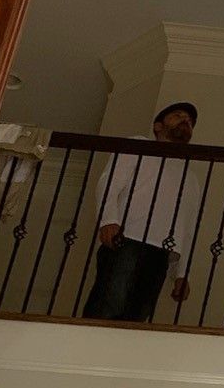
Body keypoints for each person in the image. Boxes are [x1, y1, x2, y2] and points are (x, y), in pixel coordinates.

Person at [82, 103, 201, 323]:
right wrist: (108, 220)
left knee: (138, 313)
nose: (186, 120)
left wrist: (181, 273)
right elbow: (109, 183)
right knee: (109, 302)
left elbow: (188, 226)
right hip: (127, 239)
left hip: (163, 251)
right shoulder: (139, 145)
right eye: (178, 116)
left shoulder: (190, 178)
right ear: (158, 126)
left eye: (190, 121)